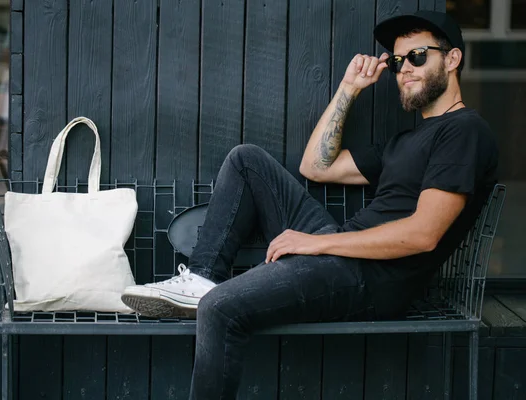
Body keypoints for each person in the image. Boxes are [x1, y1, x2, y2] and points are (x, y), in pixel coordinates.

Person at [121, 10, 498, 399]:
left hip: (374, 280)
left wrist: (315, 243)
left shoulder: (464, 131)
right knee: (247, 161)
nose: (404, 69)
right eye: (398, 62)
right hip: (343, 254)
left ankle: (207, 293)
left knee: (219, 309)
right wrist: (349, 88)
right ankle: (201, 276)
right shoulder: (404, 142)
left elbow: (423, 235)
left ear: (452, 60)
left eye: (417, 56)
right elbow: (316, 166)